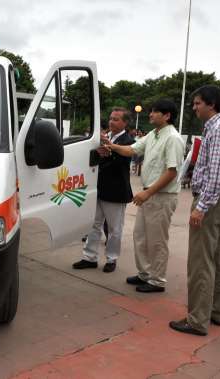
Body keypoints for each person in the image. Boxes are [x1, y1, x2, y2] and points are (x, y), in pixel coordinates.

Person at [169, 85, 220, 336]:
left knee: (201, 262)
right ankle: (215, 311)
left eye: (198, 103)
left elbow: (217, 177)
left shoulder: (219, 130)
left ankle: (197, 319)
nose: (194, 107)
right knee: (216, 258)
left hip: (212, 201)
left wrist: (201, 206)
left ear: (212, 104)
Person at [104, 99, 184, 293]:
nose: (150, 114)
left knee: (157, 240)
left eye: (155, 111)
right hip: (149, 194)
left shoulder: (172, 138)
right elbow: (132, 150)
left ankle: (157, 280)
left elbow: (171, 171)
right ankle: (145, 274)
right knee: (140, 237)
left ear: (167, 116)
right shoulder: (153, 134)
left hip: (161, 196)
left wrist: (148, 192)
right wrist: (112, 146)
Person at [73, 107, 134, 273]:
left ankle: (111, 258)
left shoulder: (129, 140)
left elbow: (124, 162)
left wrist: (109, 152)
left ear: (125, 123)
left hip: (116, 191)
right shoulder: (105, 137)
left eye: (116, 119)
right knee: (93, 225)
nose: (111, 122)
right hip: (98, 188)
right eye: (111, 118)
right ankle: (89, 257)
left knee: (115, 229)